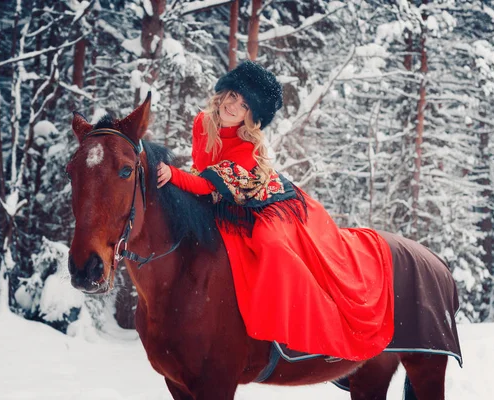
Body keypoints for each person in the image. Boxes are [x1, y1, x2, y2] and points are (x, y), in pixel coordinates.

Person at [156, 60, 394, 361]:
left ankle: (305, 326)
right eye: (232, 96)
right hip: (223, 196)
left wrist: (173, 175)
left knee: (273, 247)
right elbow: (203, 169)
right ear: (223, 93)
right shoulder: (203, 121)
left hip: (265, 203)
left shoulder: (246, 147)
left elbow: (206, 185)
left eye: (243, 105)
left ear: (250, 117)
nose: (232, 106)